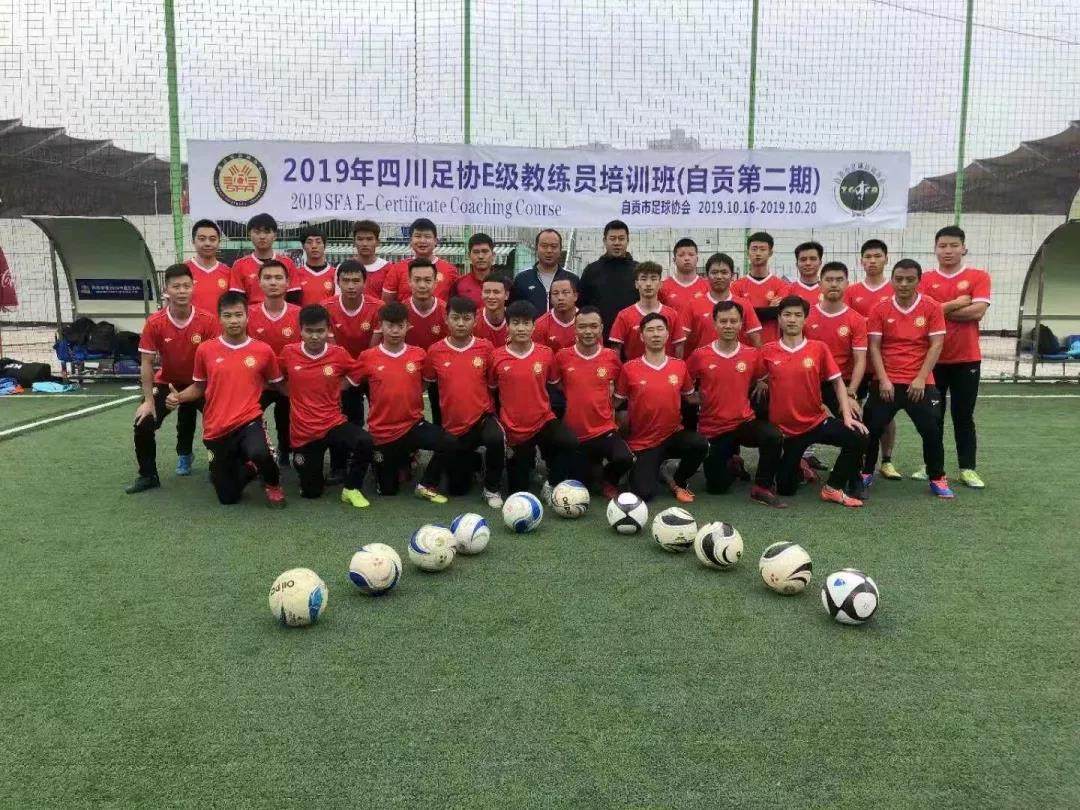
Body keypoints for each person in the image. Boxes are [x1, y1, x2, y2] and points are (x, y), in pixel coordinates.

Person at [165, 291, 286, 507]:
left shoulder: (263, 350)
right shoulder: (205, 350)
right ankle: (250, 468)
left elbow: (277, 384)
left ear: (247, 317)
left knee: (259, 452)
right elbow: (199, 386)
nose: (234, 321)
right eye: (227, 316)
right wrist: (179, 397)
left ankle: (273, 484)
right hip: (217, 427)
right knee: (227, 498)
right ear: (219, 318)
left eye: (238, 315)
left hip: (249, 420)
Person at [762, 296, 868, 507]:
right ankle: (801, 468)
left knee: (859, 435)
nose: (792, 319)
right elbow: (754, 376)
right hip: (787, 432)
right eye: (787, 315)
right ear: (779, 319)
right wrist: (759, 382)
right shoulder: (767, 351)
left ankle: (833, 487)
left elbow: (837, 382)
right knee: (786, 489)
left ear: (805, 320)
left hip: (815, 422)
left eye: (797, 315)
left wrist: (847, 416)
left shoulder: (818, 348)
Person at [863, 259, 953, 499]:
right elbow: (874, 347)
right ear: (892, 280)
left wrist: (921, 378)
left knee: (932, 431)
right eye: (899, 279)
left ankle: (937, 477)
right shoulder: (880, 308)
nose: (903, 284)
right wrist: (883, 380)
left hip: (920, 382)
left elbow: (936, 345)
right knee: (871, 428)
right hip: (887, 382)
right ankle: (865, 472)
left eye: (909, 279)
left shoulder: (931, 307)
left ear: (918, 281)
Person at [126, 264, 220, 493]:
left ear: (193, 287)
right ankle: (148, 475)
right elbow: (146, 363)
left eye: (186, 286)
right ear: (166, 290)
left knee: (222, 421)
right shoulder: (155, 322)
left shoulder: (208, 321)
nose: (181, 291)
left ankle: (219, 467)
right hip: (168, 382)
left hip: (201, 382)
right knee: (143, 422)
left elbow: (216, 362)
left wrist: (207, 391)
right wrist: (149, 402)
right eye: (176, 286)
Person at [352, 302, 456, 503]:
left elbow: (427, 381)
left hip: (412, 425)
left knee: (449, 442)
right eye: (390, 325)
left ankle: (426, 484)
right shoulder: (367, 357)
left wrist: (410, 393)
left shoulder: (419, 354)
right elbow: (353, 383)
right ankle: (394, 462)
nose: (395, 331)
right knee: (388, 491)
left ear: (408, 326)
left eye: (400, 326)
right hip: (383, 432)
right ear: (381, 326)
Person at [686, 300, 783, 506]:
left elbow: (763, 376)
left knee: (772, 435)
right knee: (717, 488)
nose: (728, 325)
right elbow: (684, 384)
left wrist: (762, 383)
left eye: (733, 321)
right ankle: (733, 463)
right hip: (713, 429)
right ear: (715, 323)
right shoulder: (700, 355)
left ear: (741, 324)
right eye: (723, 321)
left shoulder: (751, 354)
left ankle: (762, 486)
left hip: (743, 423)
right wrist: (695, 397)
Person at [915, 225, 991, 489]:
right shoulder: (924, 279)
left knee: (963, 416)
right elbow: (922, 314)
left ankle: (967, 468)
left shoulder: (978, 276)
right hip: (932, 360)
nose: (948, 250)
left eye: (953, 245)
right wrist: (958, 303)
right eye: (943, 246)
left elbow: (977, 312)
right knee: (932, 417)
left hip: (967, 359)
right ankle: (932, 465)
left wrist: (938, 309)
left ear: (963, 248)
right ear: (935, 249)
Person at [279, 304, 374, 507]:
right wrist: (289, 391)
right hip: (304, 432)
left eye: (320, 331)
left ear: (328, 330)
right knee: (311, 492)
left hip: (332, 423)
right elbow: (276, 376)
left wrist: (341, 386)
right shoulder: (288, 353)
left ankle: (351, 488)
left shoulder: (338, 354)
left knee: (364, 441)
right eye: (309, 331)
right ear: (300, 330)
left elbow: (359, 370)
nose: (315, 336)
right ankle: (311, 474)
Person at [421, 296, 505, 508]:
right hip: (454, 427)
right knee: (457, 489)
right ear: (446, 319)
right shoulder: (435, 351)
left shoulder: (486, 348)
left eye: (466, 318)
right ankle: (475, 461)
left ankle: (492, 488)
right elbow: (427, 385)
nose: (460, 323)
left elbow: (493, 384)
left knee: (495, 437)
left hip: (482, 418)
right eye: (455, 318)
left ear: (475, 321)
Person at [614, 312, 706, 503]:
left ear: (667, 334)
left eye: (660, 329)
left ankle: (679, 480)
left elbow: (690, 398)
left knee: (699, 443)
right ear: (641, 336)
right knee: (644, 493)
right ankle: (646, 468)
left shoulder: (679, 366)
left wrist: (712, 390)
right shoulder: (629, 368)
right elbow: (617, 402)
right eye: (650, 330)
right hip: (643, 442)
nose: (655, 334)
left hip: (673, 435)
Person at [488, 301, 577, 498]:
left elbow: (556, 384)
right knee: (518, 491)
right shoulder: (496, 356)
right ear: (507, 326)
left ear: (534, 326)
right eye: (516, 323)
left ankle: (552, 483)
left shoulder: (546, 354)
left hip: (543, 420)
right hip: (514, 428)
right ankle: (525, 461)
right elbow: (491, 390)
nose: (521, 328)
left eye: (526, 323)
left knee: (569, 441)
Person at [555, 307, 632, 499]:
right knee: (582, 486)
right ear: (575, 329)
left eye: (593, 326)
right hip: (574, 435)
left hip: (604, 430)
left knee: (625, 458)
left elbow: (621, 389)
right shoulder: (562, 357)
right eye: (582, 327)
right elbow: (557, 386)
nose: (588, 331)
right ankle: (593, 470)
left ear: (601, 328)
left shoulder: (611, 357)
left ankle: (609, 479)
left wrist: (609, 406)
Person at [845, 238, 901, 480]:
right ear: (861, 261)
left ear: (886, 259)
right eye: (868, 257)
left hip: (885, 366)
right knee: (854, 412)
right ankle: (855, 460)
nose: (872, 261)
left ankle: (886, 461)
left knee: (886, 416)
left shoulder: (896, 290)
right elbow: (846, 323)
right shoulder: (851, 292)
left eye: (877, 256)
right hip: (856, 364)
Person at [323, 259, 383, 482]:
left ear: (365, 283)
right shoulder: (326, 307)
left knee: (383, 414)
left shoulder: (378, 308)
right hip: (342, 372)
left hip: (370, 370)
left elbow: (372, 350)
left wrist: (358, 374)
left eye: (356, 280)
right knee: (341, 418)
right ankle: (339, 466)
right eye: (345, 280)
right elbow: (333, 350)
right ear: (337, 282)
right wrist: (350, 376)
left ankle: (382, 461)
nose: (350, 285)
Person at [246, 259, 301, 466]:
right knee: (246, 417)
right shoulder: (248, 314)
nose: (273, 282)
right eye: (267, 278)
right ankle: (250, 454)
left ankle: (286, 450)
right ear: (259, 282)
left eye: (278, 278)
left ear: (288, 283)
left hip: (288, 382)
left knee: (286, 415)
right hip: (257, 382)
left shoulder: (299, 314)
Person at [806, 262, 868, 418]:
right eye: (829, 280)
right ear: (820, 284)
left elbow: (860, 360)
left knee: (855, 428)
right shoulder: (805, 316)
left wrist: (851, 393)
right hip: (809, 381)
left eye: (839, 280)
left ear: (847, 284)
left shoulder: (856, 319)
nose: (834, 284)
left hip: (842, 382)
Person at [682, 252, 763, 356]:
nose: (719, 276)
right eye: (714, 272)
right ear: (706, 276)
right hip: (703, 363)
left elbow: (756, 340)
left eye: (724, 272)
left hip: (738, 363)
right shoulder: (693, 305)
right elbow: (682, 342)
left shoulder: (744, 305)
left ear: (732, 276)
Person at [609, 261, 686, 360]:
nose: (648, 284)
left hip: (666, 369)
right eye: (643, 279)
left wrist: (676, 367)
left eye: (653, 279)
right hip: (634, 369)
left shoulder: (672, 315)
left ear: (660, 284)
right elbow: (616, 348)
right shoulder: (624, 315)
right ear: (636, 284)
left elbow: (679, 346)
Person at [578, 220, 638, 338]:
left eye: (621, 239)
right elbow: (582, 305)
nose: (617, 243)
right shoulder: (591, 271)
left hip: (632, 335)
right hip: (599, 337)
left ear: (628, 241)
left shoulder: (638, 270)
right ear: (604, 241)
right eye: (612, 239)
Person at [380, 218, 459, 302]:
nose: (422, 241)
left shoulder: (450, 271)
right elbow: (387, 302)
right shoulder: (397, 269)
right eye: (418, 236)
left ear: (435, 241)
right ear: (410, 240)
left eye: (427, 236)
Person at [229, 213, 300, 306]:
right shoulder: (239, 265)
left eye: (267, 232)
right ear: (249, 235)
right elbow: (237, 300)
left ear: (275, 235)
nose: (262, 236)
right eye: (257, 232)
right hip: (251, 314)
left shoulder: (288, 263)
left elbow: (293, 297)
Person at [731, 231, 788, 343]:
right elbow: (736, 315)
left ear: (770, 253)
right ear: (748, 252)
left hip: (771, 344)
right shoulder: (736, 286)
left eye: (762, 249)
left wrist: (748, 310)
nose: (758, 253)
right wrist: (769, 309)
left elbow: (779, 312)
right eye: (754, 249)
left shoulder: (781, 285)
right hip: (743, 345)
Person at [510, 229, 577, 313]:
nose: (549, 250)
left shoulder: (572, 279)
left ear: (560, 249)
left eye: (554, 246)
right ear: (536, 248)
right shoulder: (522, 279)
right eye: (544, 246)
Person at [184, 219, 231, 314]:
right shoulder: (183, 270)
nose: (207, 243)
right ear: (193, 241)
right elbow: (169, 306)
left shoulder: (228, 272)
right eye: (202, 239)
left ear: (219, 242)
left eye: (212, 239)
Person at [659, 238, 709, 311]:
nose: (687, 258)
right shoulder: (662, 287)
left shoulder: (708, 286)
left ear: (697, 259)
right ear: (674, 260)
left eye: (691, 254)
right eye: (681, 255)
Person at [532, 277, 578, 353]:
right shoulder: (539, 325)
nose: (560, 298)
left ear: (575, 296)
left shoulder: (587, 322)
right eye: (555, 293)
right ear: (550, 298)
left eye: (565, 292)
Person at [293, 227, 337, 307]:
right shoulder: (296, 274)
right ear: (303, 246)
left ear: (325, 245)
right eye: (309, 242)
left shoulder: (335, 274)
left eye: (318, 242)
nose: (314, 246)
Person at [451, 232, 496, 308]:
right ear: (469, 256)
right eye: (476, 252)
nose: (480, 256)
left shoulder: (504, 284)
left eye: (485, 251)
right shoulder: (458, 284)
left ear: (493, 255)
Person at [352, 219, 389, 298]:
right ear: (354, 242)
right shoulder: (343, 268)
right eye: (360, 239)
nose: (364, 244)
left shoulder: (389, 269)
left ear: (377, 242)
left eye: (369, 239)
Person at [473, 274, 511, 345]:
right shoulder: (473, 320)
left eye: (496, 292)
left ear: (506, 295)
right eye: (487, 292)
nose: (491, 296)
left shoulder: (516, 321)